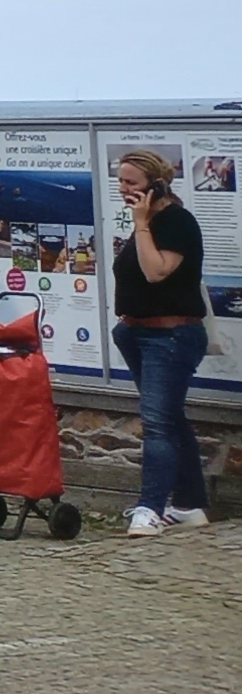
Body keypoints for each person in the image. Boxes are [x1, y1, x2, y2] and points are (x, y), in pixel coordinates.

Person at [108, 148, 214, 538]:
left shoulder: (175, 222)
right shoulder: (150, 221)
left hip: (169, 336)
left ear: (155, 185)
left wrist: (140, 225)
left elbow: (157, 272)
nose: (123, 189)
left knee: (156, 424)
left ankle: (150, 508)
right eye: (120, 181)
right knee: (169, 419)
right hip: (137, 332)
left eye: (131, 182)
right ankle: (189, 504)